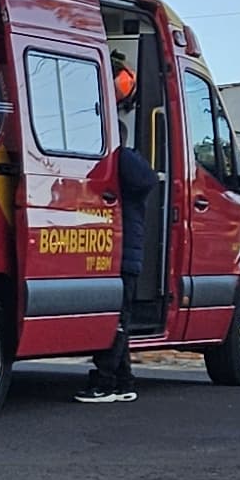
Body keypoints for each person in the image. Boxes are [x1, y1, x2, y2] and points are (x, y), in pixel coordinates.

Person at [79, 63, 161, 404]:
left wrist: (115, 160)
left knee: (117, 319)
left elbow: (147, 180)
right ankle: (123, 380)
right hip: (123, 253)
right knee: (121, 318)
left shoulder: (124, 162)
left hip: (123, 253)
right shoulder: (126, 165)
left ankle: (105, 381)